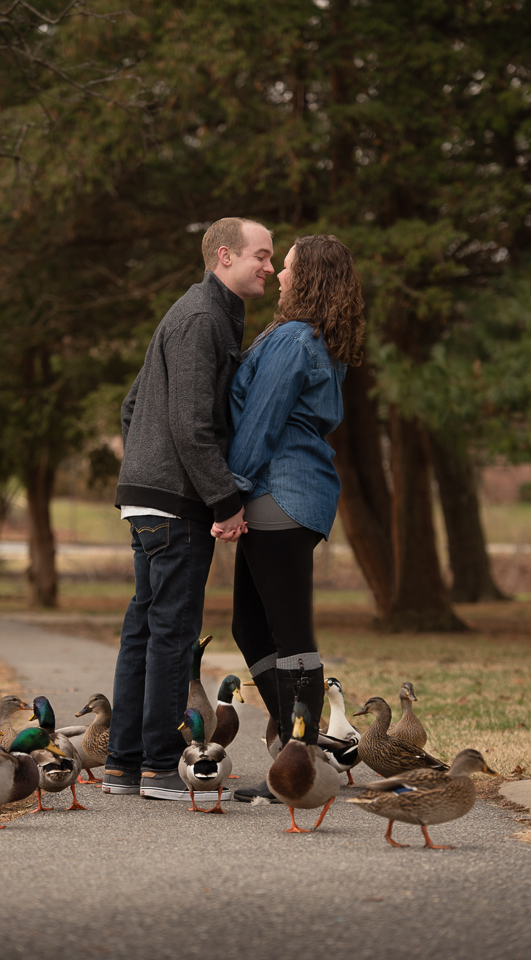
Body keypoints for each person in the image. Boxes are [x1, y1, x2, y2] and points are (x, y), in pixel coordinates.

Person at [102, 217, 275, 800]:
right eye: (263, 256)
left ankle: (123, 765)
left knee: (145, 632)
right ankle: (159, 767)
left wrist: (146, 472)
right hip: (176, 507)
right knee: (171, 634)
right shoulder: (203, 318)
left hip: (150, 500)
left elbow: (133, 407)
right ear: (225, 256)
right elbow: (189, 424)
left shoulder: (199, 313)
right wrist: (224, 500)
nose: (271, 268)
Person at [218, 234, 365, 802]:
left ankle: (299, 765)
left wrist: (230, 494)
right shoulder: (321, 342)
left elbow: (260, 422)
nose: (279, 273)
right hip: (296, 495)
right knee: (252, 628)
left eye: (289, 267)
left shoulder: (293, 341)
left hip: (277, 492)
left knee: (292, 636)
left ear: (308, 279)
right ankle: (294, 753)